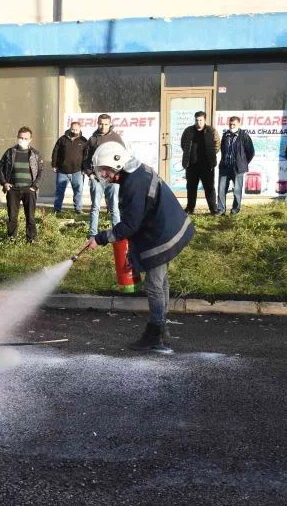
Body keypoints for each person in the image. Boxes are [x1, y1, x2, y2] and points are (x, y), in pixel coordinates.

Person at [84, 141, 195, 351]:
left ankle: (156, 333)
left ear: (117, 165)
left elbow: (130, 225)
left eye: (105, 170)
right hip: (170, 228)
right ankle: (161, 326)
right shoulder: (134, 173)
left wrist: (99, 238)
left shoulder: (133, 183)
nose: (104, 175)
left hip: (164, 234)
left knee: (154, 285)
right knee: (161, 282)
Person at [0, 127, 44, 243]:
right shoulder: (10, 152)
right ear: (17, 137)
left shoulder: (35, 154)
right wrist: (4, 183)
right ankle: (11, 238)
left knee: (30, 217)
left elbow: (41, 171)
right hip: (13, 189)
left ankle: (31, 238)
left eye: (26, 138)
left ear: (30, 139)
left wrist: (35, 186)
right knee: (12, 216)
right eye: (21, 138)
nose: (23, 140)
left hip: (29, 189)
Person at [82, 114, 123, 237]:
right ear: (97, 123)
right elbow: (86, 159)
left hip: (112, 180)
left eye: (105, 124)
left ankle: (118, 233)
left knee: (114, 208)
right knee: (95, 207)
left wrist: (118, 175)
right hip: (97, 179)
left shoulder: (116, 138)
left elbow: (122, 157)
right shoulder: (92, 139)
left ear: (110, 124)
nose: (103, 126)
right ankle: (92, 234)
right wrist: (90, 175)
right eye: (101, 123)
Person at [181, 111, 220, 215]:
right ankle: (190, 208)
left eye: (201, 120)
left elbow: (217, 144)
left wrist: (211, 155)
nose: (198, 122)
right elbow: (183, 144)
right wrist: (188, 156)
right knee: (191, 188)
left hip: (207, 165)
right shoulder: (188, 131)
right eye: (197, 120)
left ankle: (214, 209)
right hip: (191, 165)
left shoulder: (211, 131)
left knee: (209, 188)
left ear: (205, 120)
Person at [216, 116, 255, 215]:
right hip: (225, 167)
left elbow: (251, 152)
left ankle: (235, 210)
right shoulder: (226, 135)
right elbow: (223, 150)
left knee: (237, 190)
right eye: (230, 124)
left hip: (238, 168)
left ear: (239, 124)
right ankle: (221, 210)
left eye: (234, 124)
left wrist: (243, 162)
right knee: (221, 189)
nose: (232, 126)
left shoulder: (244, 136)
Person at [51, 121, 86, 213]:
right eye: (73, 129)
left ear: (80, 129)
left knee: (78, 192)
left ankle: (78, 209)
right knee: (59, 192)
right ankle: (57, 209)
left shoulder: (83, 140)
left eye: (76, 130)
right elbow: (55, 152)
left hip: (77, 171)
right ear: (70, 128)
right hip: (62, 171)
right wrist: (54, 165)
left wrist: (85, 168)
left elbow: (87, 155)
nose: (74, 131)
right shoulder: (62, 139)